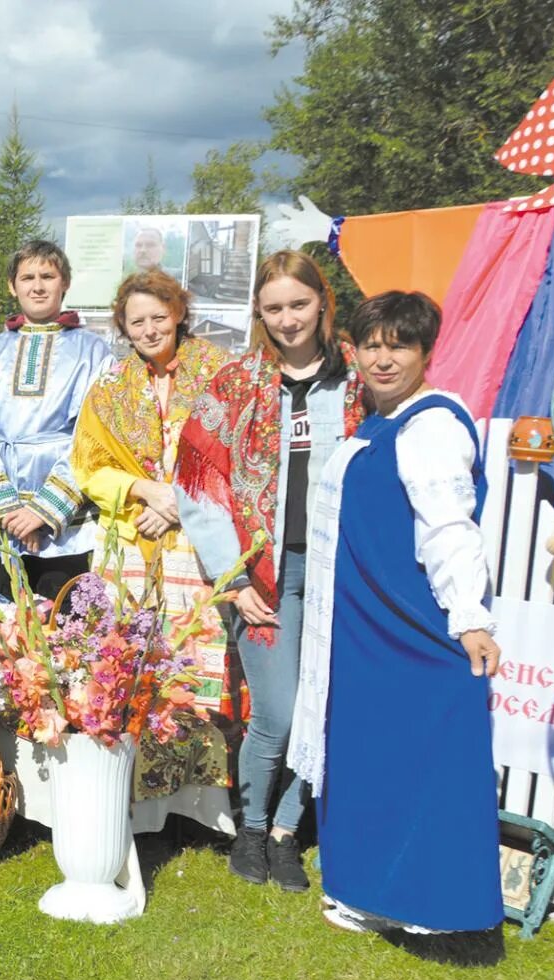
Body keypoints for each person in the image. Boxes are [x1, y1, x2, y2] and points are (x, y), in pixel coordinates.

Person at [288, 291, 503, 938]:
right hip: (366, 628)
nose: (382, 359)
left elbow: (449, 526)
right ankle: (364, 891)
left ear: (426, 351)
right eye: (371, 345)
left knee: (421, 765)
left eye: (399, 346)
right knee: (368, 760)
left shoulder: (431, 425)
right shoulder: (382, 420)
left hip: (410, 629)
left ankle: (430, 904)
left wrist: (469, 616)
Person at [174, 251, 366, 891]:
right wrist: (231, 577)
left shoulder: (358, 378)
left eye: (299, 304)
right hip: (262, 576)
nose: (288, 319)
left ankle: (287, 833)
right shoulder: (236, 384)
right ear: (259, 312)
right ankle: (250, 828)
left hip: (340, 574)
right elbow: (197, 483)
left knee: (320, 708)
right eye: (274, 308)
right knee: (278, 713)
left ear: (322, 301)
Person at [70, 270, 234, 833]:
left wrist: (176, 503)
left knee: (192, 658)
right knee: (129, 657)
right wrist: (143, 489)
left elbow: (234, 457)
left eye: (158, 317)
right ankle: (132, 800)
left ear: (179, 312)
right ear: (123, 326)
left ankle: (198, 804)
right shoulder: (111, 384)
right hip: (129, 540)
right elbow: (88, 465)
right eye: (136, 321)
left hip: (196, 540)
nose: (148, 329)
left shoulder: (219, 374)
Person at [0, 240, 113, 602]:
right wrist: (7, 509)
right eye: (27, 278)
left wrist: (42, 510)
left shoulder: (94, 352)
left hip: (62, 519)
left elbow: (93, 435)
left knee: (62, 619)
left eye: (47, 276)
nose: (37, 286)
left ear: (64, 282)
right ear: (12, 286)